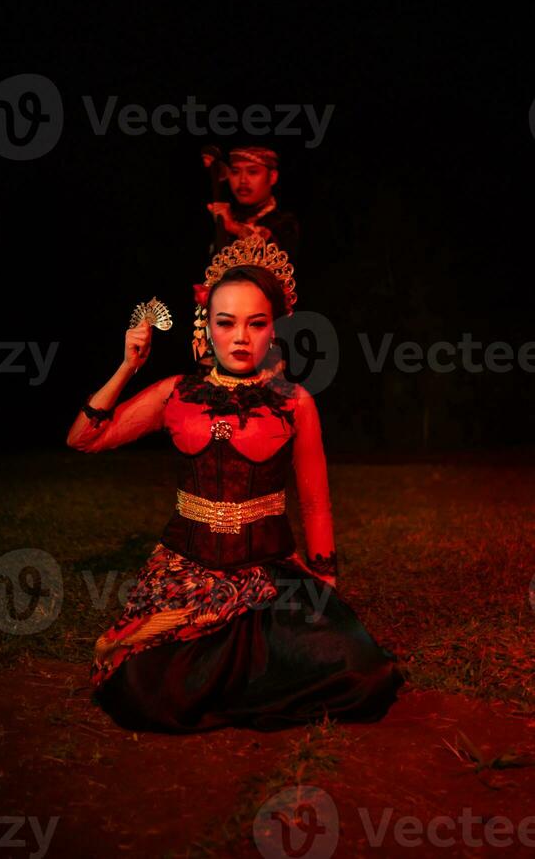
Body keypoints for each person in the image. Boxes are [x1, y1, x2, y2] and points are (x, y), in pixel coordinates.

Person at [66, 235, 405, 733]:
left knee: (364, 674)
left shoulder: (294, 401)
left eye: (256, 323)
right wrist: (129, 366)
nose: (241, 337)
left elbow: (314, 502)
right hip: (187, 572)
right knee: (145, 694)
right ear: (207, 325)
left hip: (269, 575)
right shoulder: (175, 394)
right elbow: (83, 439)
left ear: (275, 330)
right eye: (226, 323)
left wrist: (324, 587)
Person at [207, 146, 300, 260]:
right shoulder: (227, 216)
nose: (242, 180)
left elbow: (276, 259)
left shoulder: (286, 224)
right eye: (235, 172)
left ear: (272, 177)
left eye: (252, 172)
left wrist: (234, 227)